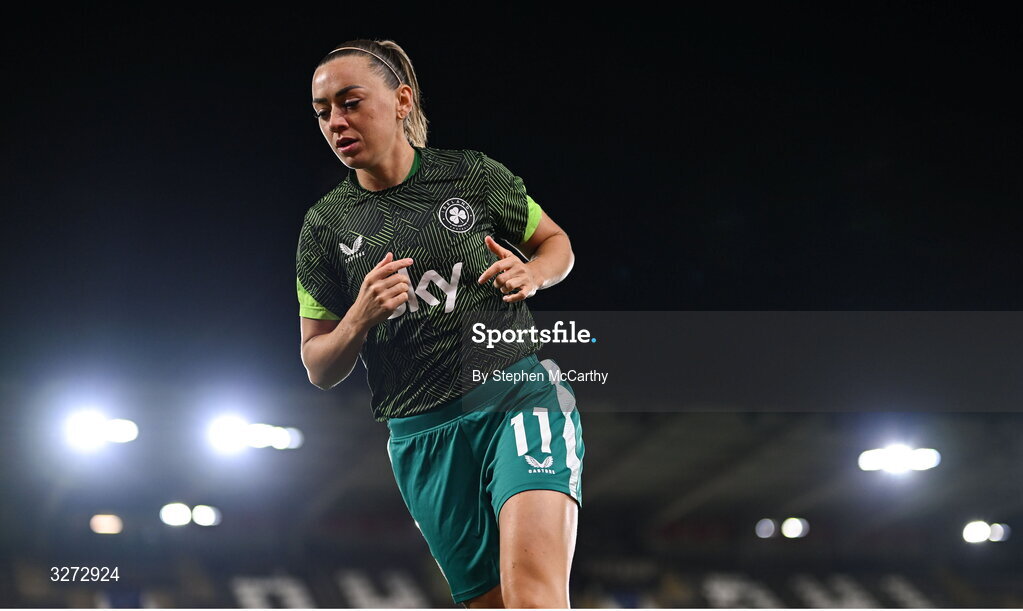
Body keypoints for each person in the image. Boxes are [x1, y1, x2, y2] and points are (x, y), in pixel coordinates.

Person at [296, 39, 584, 608]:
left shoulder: (473, 176)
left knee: (532, 599)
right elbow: (318, 366)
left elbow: (556, 243)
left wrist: (534, 275)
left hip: (517, 399)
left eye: (350, 102)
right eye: (323, 111)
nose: (336, 122)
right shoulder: (325, 226)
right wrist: (359, 315)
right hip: (421, 438)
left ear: (401, 100)